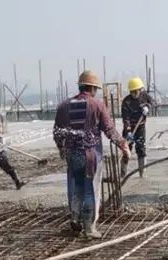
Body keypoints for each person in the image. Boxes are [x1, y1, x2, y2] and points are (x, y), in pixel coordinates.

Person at [53, 70, 130, 239]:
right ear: (93, 88)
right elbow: (109, 130)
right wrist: (123, 145)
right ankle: (89, 228)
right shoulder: (97, 105)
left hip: (72, 154)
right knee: (91, 190)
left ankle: (75, 218)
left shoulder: (64, 106)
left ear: (80, 86)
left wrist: (61, 149)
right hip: (90, 156)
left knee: (77, 187)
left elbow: (57, 133)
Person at [120, 77, 154, 178]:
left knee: (141, 149)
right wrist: (128, 131)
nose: (134, 94)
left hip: (141, 127)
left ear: (140, 90)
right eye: (132, 92)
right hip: (129, 129)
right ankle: (123, 173)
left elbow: (153, 102)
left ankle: (142, 173)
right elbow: (125, 118)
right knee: (126, 150)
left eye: (135, 92)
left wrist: (148, 107)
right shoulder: (126, 102)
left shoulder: (144, 96)